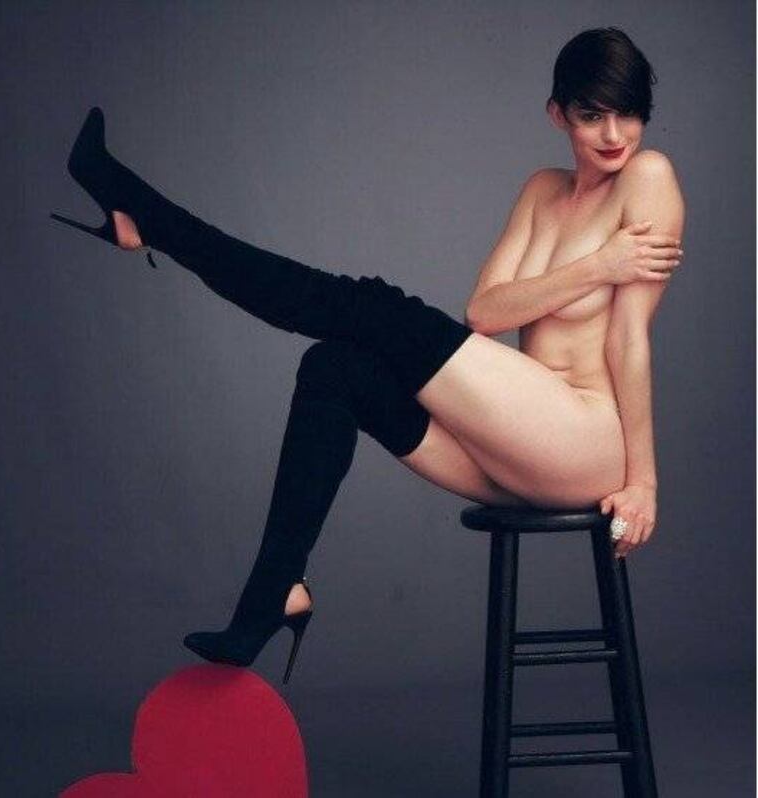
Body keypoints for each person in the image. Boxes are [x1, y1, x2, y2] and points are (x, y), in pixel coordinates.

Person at [50, 26, 684, 683]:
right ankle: (276, 589)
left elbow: (627, 338)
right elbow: (486, 313)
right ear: (558, 114)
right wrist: (599, 266)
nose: (614, 135)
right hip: (511, 449)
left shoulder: (648, 177)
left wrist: (644, 482)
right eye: (592, 115)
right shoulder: (542, 191)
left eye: (628, 114)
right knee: (334, 368)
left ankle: (145, 216)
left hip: (584, 443)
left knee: (372, 308)